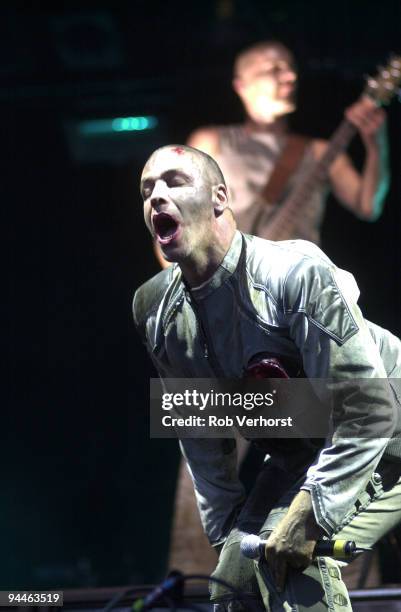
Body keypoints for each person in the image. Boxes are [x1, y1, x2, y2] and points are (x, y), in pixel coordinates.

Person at [133, 144, 401, 611]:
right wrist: (229, 539)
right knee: (234, 586)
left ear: (219, 198)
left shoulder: (292, 272)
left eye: (174, 181)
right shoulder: (154, 309)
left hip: (387, 425)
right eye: (146, 189)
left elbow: (369, 410)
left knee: (290, 565)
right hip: (306, 444)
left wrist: (310, 515)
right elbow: (201, 433)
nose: (156, 195)